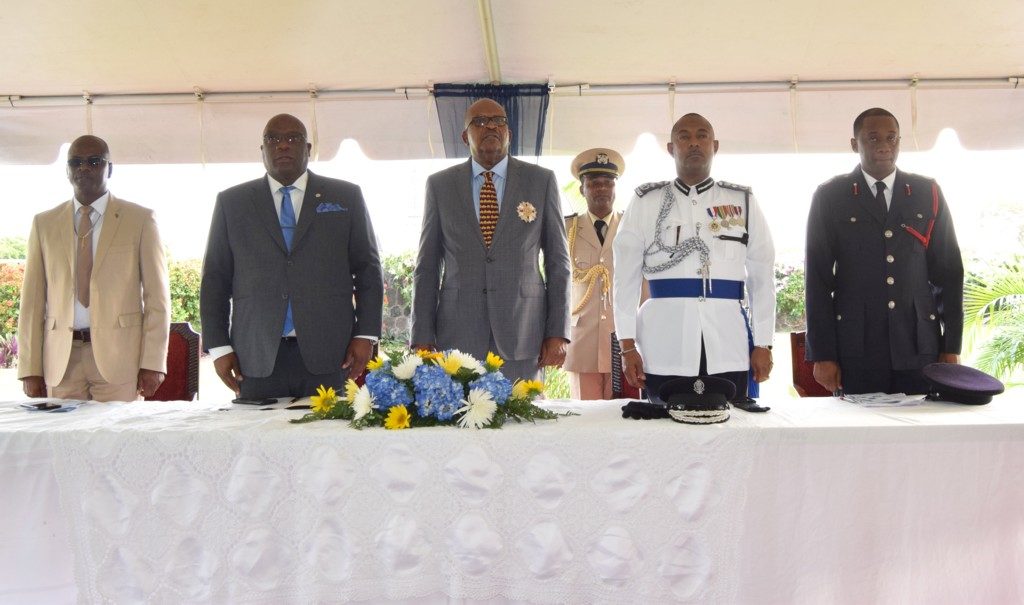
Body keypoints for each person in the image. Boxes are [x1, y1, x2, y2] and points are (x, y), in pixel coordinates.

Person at [201, 114, 383, 399]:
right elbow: (215, 279)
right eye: (273, 139)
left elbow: (368, 270)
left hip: (330, 354)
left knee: (328, 430)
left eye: (293, 138)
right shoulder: (232, 203)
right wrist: (220, 347)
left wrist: (365, 335)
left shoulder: (345, 196)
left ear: (308, 149)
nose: (283, 145)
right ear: (262, 150)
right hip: (255, 356)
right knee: (255, 430)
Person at [613, 113, 775, 406]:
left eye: (702, 135)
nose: (694, 143)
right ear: (671, 148)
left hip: (728, 342)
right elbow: (625, 279)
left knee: (732, 424)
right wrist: (627, 345)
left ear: (715, 145)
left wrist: (764, 343)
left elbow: (762, 277)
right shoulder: (646, 201)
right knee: (664, 425)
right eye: (684, 137)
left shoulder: (742, 201)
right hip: (664, 344)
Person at [805, 107, 963, 395]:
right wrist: (823, 353)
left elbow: (948, 273)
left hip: (919, 345)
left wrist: (951, 346)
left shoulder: (927, 192)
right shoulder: (831, 196)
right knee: (859, 423)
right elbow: (817, 279)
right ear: (854, 144)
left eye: (891, 138)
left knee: (923, 422)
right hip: (857, 347)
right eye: (873, 138)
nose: (884, 146)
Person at [411, 98, 571, 382]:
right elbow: (427, 265)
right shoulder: (440, 185)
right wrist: (422, 334)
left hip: (523, 335)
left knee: (523, 411)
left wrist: (557, 332)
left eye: (499, 121)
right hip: (458, 338)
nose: (491, 127)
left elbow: (559, 262)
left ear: (509, 133)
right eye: (481, 122)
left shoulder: (540, 180)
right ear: (465, 136)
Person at [18, 135, 170, 402]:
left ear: (109, 168)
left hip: (119, 359)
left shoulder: (140, 220)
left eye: (94, 161)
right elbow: (31, 303)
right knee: (62, 431)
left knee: (117, 431)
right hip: (61, 362)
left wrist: (153, 362)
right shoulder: (44, 224)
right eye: (75, 162)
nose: (84, 168)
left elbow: (157, 299)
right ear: (67, 170)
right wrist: (30, 368)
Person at [563, 147, 630, 399]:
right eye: (593, 183)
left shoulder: (631, 227)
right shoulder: (566, 228)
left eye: (608, 182)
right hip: (582, 341)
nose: (602, 188)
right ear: (582, 189)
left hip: (622, 340)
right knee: (584, 416)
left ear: (615, 188)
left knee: (622, 414)